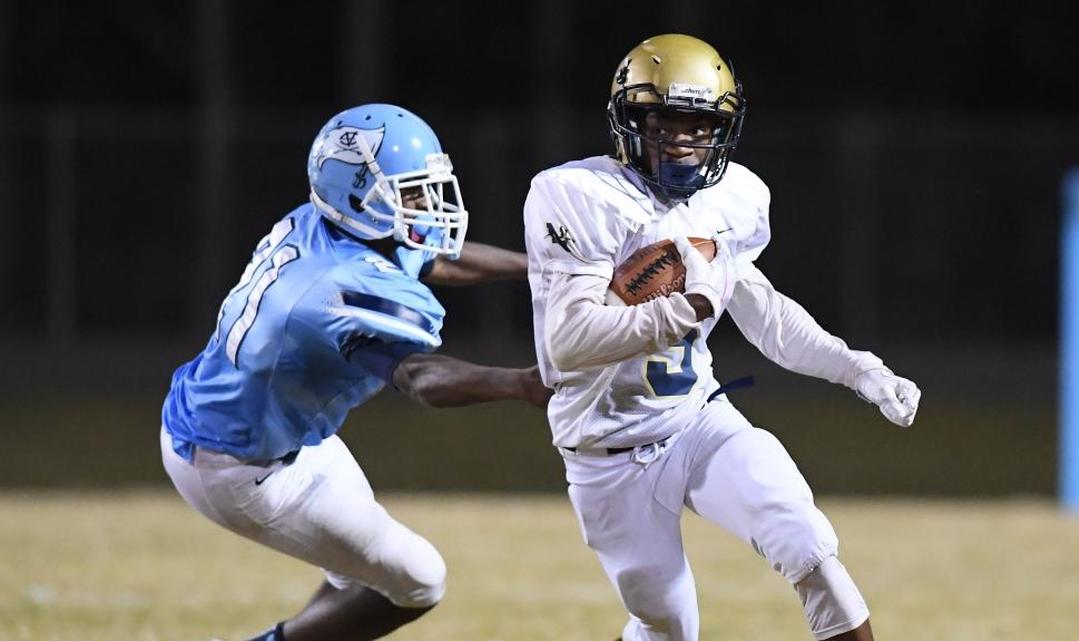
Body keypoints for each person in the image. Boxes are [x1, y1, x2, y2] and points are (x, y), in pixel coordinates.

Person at [523, 34, 921, 641]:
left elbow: (767, 314)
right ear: (632, 122)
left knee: (807, 543)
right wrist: (689, 307)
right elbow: (568, 343)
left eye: (700, 127)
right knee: (667, 625)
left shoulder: (733, 198)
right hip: (608, 449)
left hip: (697, 420)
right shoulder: (579, 194)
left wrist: (858, 368)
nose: (684, 142)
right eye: (665, 124)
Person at [160, 103, 548, 641]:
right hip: (240, 464)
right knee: (418, 580)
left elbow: (434, 257)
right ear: (358, 195)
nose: (426, 205)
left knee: (361, 572)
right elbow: (419, 378)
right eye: (411, 193)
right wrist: (522, 384)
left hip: (243, 421)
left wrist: (541, 267)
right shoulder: (336, 289)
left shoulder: (323, 224)